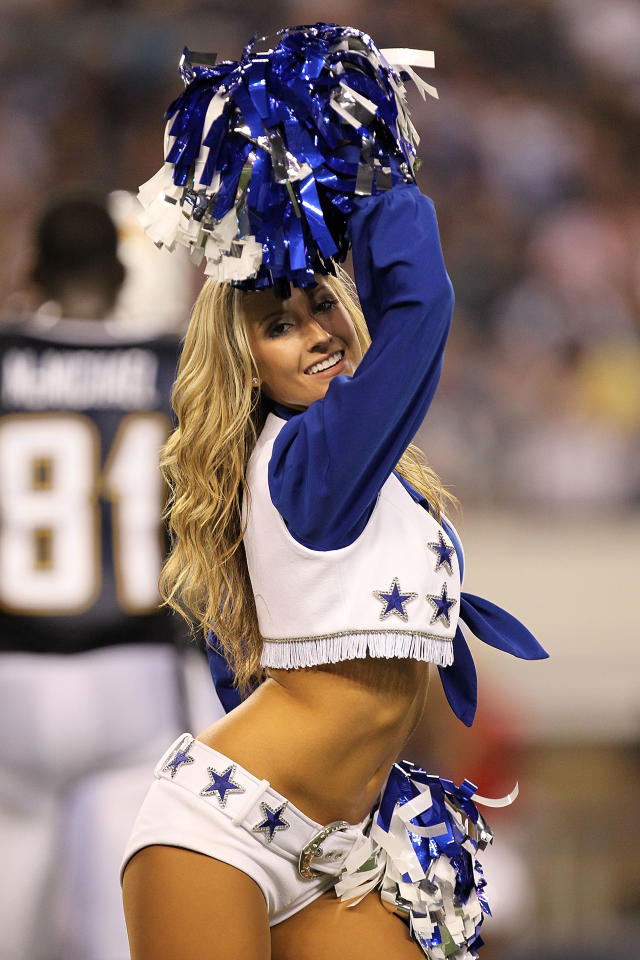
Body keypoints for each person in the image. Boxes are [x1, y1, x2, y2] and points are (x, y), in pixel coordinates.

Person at [121, 26, 547, 960]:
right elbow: (422, 306)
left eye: (323, 305)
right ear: (247, 360)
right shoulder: (311, 459)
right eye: (279, 324)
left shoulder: (359, 474)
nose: (314, 332)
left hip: (333, 846)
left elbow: (253, 668)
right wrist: (374, 160)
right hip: (220, 836)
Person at [0, 193, 198, 960]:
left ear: (35, 271)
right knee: (125, 937)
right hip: (135, 676)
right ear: (120, 277)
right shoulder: (171, 366)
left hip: (11, 679)